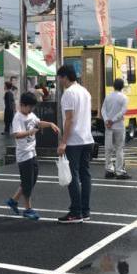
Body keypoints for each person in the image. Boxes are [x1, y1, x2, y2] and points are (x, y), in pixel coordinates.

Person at [5, 92, 59, 220]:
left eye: (32, 108)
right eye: (29, 107)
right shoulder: (18, 117)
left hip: (32, 152)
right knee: (28, 182)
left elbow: (38, 123)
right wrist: (30, 131)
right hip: (24, 155)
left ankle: (13, 200)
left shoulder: (30, 114)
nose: (31, 110)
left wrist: (50, 124)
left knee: (31, 179)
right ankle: (28, 209)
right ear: (22, 105)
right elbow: (16, 134)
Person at [56, 64, 94, 224]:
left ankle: (75, 212)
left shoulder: (68, 94)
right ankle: (85, 211)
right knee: (85, 175)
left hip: (74, 141)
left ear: (65, 77)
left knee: (73, 176)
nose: (59, 80)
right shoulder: (84, 91)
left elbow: (69, 119)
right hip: (87, 138)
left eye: (59, 77)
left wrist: (63, 142)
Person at [101, 78, 130, 180]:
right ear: (122, 87)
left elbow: (103, 109)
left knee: (108, 149)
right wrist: (113, 120)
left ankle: (109, 170)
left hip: (108, 127)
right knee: (119, 148)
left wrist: (107, 120)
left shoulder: (108, 97)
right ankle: (119, 171)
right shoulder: (124, 98)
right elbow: (123, 111)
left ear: (113, 86)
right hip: (119, 126)